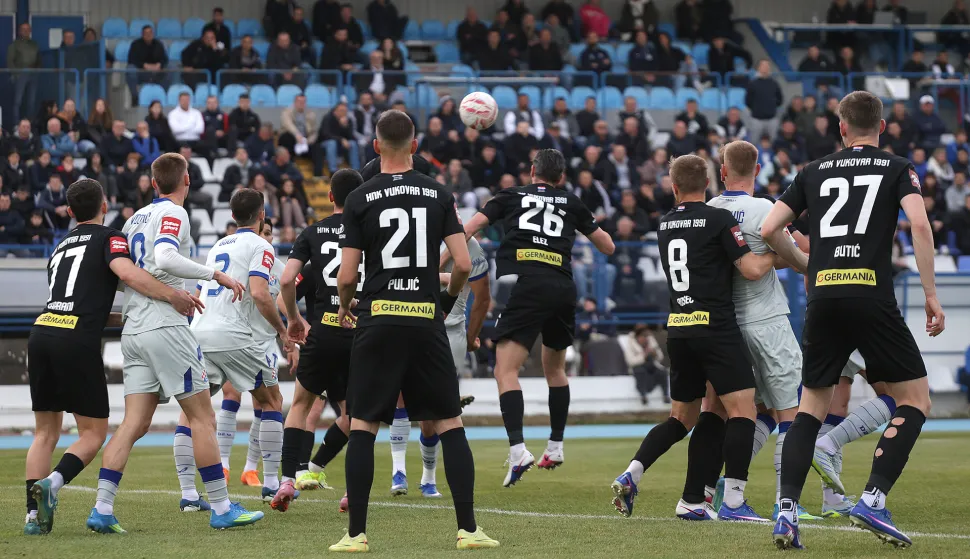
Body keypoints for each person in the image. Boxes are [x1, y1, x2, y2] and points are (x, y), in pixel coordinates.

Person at [763, 91, 943, 550]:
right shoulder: (898, 167)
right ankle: (874, 498)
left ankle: (785, 512)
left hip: (824, 298)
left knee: (810, 408)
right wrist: (929, 295)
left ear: (841, 128)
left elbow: (768, 230)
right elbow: (920, 226)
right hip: (870, 295)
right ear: (882, 127)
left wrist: (805, 264)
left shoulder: (812, 171)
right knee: (915, 400)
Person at [306, 111, 493, 550]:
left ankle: (356, 536)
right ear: (414, 145)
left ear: (375, 147)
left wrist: (350, 306)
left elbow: (347, 275)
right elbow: (464, 264)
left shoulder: (360, 198)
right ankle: (468, 530)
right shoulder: (439, 194)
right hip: (425, 319)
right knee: (449, 420)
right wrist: (445, 302)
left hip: (378, 319)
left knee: (364, 424)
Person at [85, 154, 259, 534]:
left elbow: (122, 275)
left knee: (133, 423)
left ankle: (101, 507)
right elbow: (165, 254)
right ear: (188, 181)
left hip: (133, 329)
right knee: (202, 416)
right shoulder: (175, 214)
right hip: (164, 326)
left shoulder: (132, 220)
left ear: (152, 181)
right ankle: (221, 506)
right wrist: (216, 274)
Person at [23, 178, 204, 535]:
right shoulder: (111, 237)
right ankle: (53, 483)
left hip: (41, 331)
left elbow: (76, 300)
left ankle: (32, 518)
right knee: (93, 433)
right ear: (104, 205)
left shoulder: (59, 246)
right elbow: (126, 273)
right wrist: (171, 295)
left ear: (71, 212)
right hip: (75, 340)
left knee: (44, 433)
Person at [610, 153, 779, 521]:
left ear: (673, 187)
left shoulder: (665, 224)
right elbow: (750, 269)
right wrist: (777, 254)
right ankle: (734, 502)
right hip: (715, 327)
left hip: (679, 331)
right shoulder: (718, 218)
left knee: (684, 418)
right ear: (709, 184)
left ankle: (644, 476)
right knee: (743, 410)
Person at [463, 149, 615, 485]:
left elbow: (471, 227)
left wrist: (443, 252)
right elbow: (608, 247)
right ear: (561, 177)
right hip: (563, 287)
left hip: (530, 284)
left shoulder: (511, 195)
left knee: (504, 369)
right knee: (555, 368)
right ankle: (556, 445)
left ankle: (518, 450)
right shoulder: (571, 200)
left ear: (532, 171)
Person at [707, 141, 812, 519]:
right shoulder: (764, 209)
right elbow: (794, 256)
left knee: (749, 410)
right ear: (756, 169)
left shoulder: (710, 210)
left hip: (726, 326)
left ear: (722, 171)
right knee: (791, 413)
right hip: (766, 320)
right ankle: (788, 502)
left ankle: (723, 485)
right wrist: (803, 264)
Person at [189, 188, 289, 505]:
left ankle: (189, 493)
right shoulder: (262, 246)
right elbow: (260, 294)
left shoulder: (219, 244)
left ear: (232, 216)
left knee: (193, 412)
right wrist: (283, 333)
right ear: (262, 215)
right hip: (232, 333)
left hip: (199, 330)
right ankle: (271, 483)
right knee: (272, 400)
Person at [272, 169, 362, 507]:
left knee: (299, 405)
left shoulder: (313, 232)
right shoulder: (370, 231)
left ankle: (286, 481)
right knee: (357, 413)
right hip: (361, 334)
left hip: (322, 333)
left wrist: (297, 322)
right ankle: (353, 490)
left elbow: (285, 282)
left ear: (330, 197)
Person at [126, 25, 169, 105]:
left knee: (170, 67)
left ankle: (165, 95)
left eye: (150, 33)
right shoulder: (135, 44)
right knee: (130, 68)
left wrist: (159, 65)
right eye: (146, 33)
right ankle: (135, 97)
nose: (148, 35)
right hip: (141, 72)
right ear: (142, 34)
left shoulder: (158, 44)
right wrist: (144, 65)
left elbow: (165, 59)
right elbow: (131, 59)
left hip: (156, 72)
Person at [8, 23, 40, 124]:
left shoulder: (34, 44)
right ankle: (16, 125)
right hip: (20, 74)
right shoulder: (15, 44)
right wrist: (16, 74)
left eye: (27, 29)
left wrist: (37, 71)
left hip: (33, 74)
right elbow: (10, 61)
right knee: (18, 101)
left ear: (30, 31)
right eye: (23, 29)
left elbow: (39, 59)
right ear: (19, 31)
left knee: (31, 102)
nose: (26, 31)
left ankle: (29, 124)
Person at [745, 60, 784, 145]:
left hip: (772, 119)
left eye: (767, 66)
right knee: (754, 144)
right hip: (757, 119)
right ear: (758, 68)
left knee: (774, 143)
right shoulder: (753, 83)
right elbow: (748, 101)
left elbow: (780, 99)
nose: (765, 68)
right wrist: (757, 108)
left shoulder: (774, 83)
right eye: (763, 65)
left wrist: (771, 106)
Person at [322, 103, 360, 175]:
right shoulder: (328, 118)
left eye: (345, 111)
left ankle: (356, 170)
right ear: (335, 111)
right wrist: (341, 139)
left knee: (353, 143)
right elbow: (326, 134)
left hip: (342, 144)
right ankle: (333, 171)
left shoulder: (348, 120)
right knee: (332, 143)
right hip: (326, 143)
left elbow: (351, 136)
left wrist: (344, 126)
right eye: (341, 110)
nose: (343, 113)